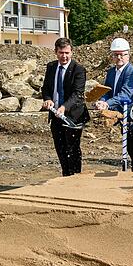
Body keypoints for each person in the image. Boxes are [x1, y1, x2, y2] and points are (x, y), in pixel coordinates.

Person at [95, 37, 133, 172]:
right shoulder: (111, 72)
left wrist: (107, 104)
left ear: (128, 55)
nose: (119, 57)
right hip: (123, 115)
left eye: (122, 54)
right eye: (116, 54)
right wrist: (102, 100)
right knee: (129, 148)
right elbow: (108, 90)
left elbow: (125, 94)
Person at [41, 37, 90, 176]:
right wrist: (48, 99)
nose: (64, 56)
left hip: (73, 116)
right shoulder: (51, 67)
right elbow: (45, 88)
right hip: (55, 114)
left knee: (72, 148)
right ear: (56, 52)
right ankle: (65, 175)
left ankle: (75, 177)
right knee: (60, 148)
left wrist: (64, 107)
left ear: (72, 52)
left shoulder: (78, 70)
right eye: (61, 53)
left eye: (67, 53)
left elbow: (77, 93)